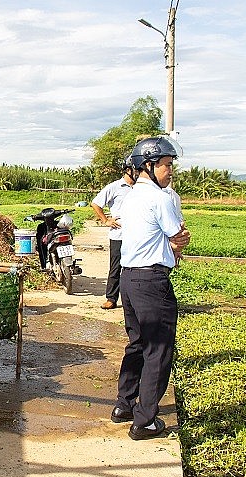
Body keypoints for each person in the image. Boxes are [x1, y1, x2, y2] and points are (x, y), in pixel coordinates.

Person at [111, 136, 191, 440]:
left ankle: (124, 405)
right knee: (158, 349)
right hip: (151, 280)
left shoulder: (130, 196)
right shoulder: (159, 198)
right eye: (166, 165)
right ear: (149, 165)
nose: (170, 171)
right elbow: (178, 235)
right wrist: (177, 243)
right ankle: (144, 421)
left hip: (129, 279)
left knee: (136, 343)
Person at [91, 156, 136, 309]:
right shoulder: (115, 187)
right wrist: (105, 220)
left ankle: (131, 300)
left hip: (137, 236)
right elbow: (96, 203)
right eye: (136, 169)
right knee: (116, 267)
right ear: (128, 170)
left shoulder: (141, 188)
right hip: (119, 234)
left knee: (134, 268)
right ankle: (111, 298)